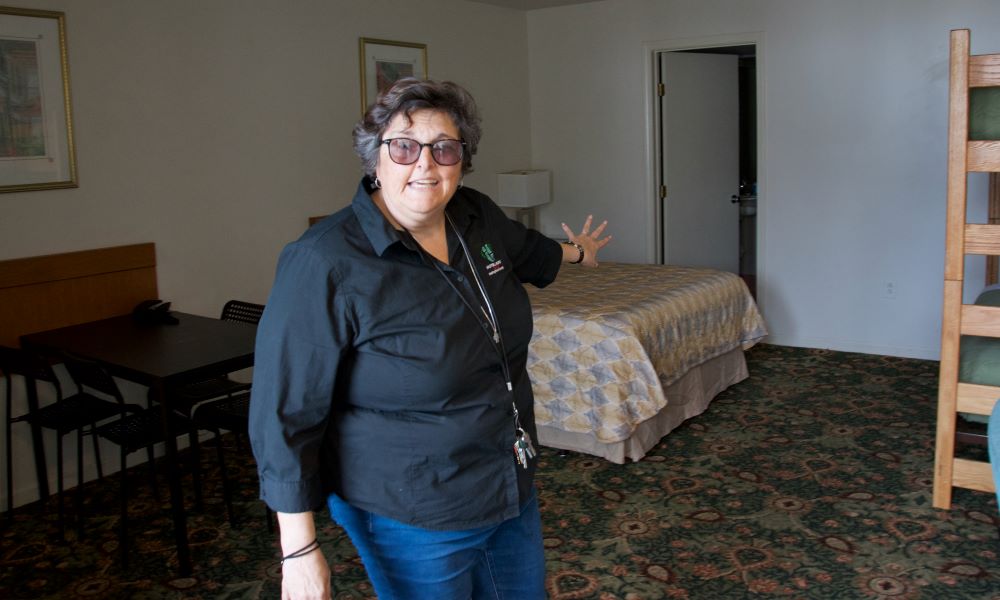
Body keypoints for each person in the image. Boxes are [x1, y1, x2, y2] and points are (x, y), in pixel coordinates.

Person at [249, 77, 611, 600]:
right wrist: (299, 552)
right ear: (375, 158)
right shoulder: (324, 263)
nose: (425, 164)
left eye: (444, 149)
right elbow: (283, 413)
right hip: (414, 510)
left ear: (461, 161)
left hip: (507, 482)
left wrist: (581, 254)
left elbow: (533, 251)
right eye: (404, 147)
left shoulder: (475, 217)